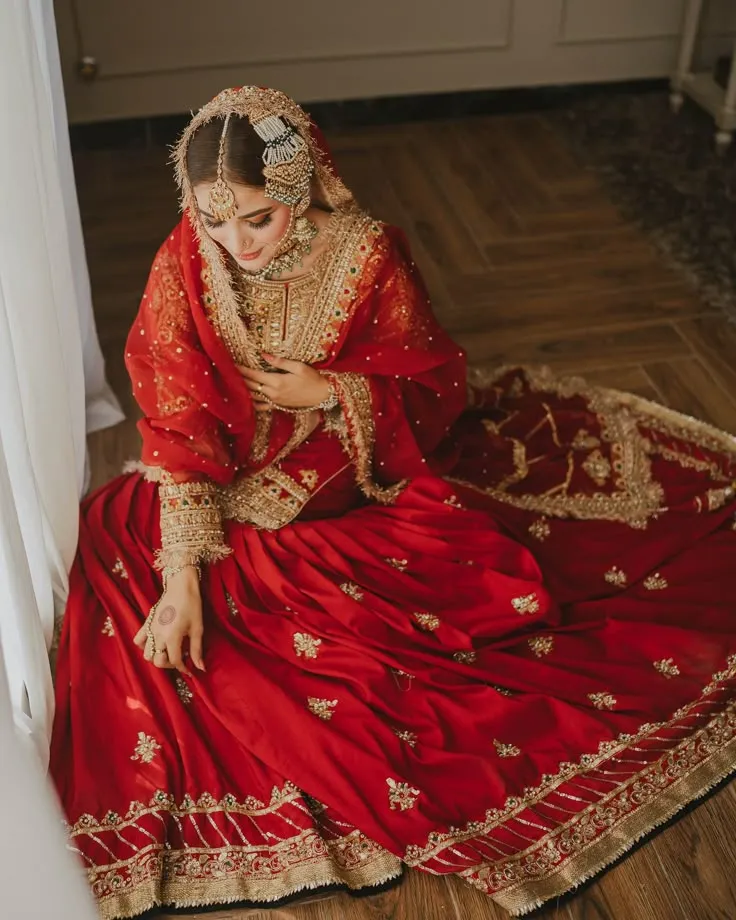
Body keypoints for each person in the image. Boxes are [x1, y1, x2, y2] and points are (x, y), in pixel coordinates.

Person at [50, 86, 736, 920]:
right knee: (131, 557)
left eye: (257, 219)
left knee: (343, 605)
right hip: (228, 464)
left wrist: (329, 391)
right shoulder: (187, 257)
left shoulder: (367, 253)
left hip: (347, 459)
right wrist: (182, 577)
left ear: (298, 188)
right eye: (214, 219)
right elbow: (178, 414)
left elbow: (434, 384)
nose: (236, 243)